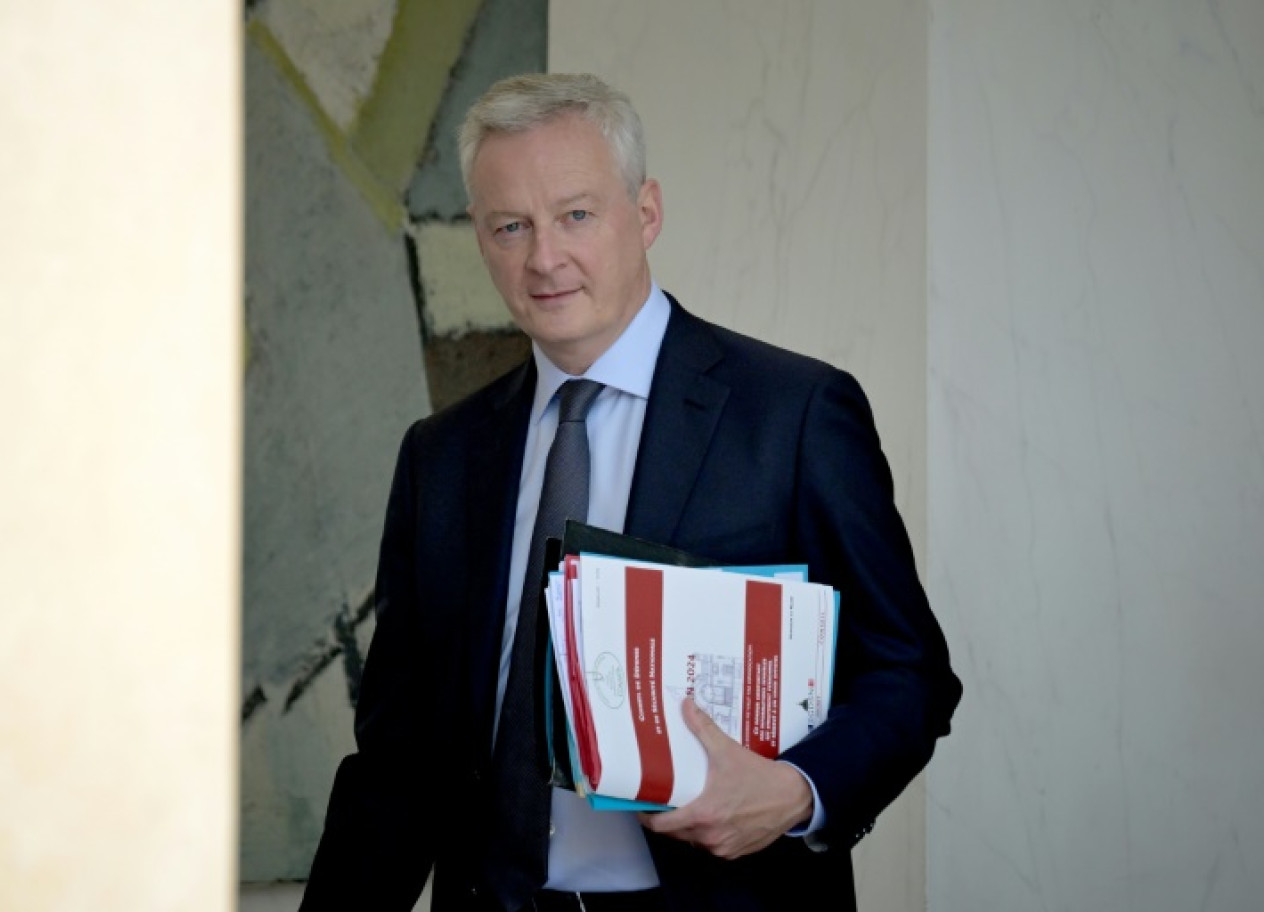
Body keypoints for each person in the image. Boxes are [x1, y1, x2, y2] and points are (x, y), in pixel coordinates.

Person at [300, 73, 961, 912]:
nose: (544, 257)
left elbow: (909, 672)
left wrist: (798, 791)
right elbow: (397, 758)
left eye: (576, 214)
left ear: (644, 213)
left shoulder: (791, 415)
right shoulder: (442, 455)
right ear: (481, 236)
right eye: (512, 226)